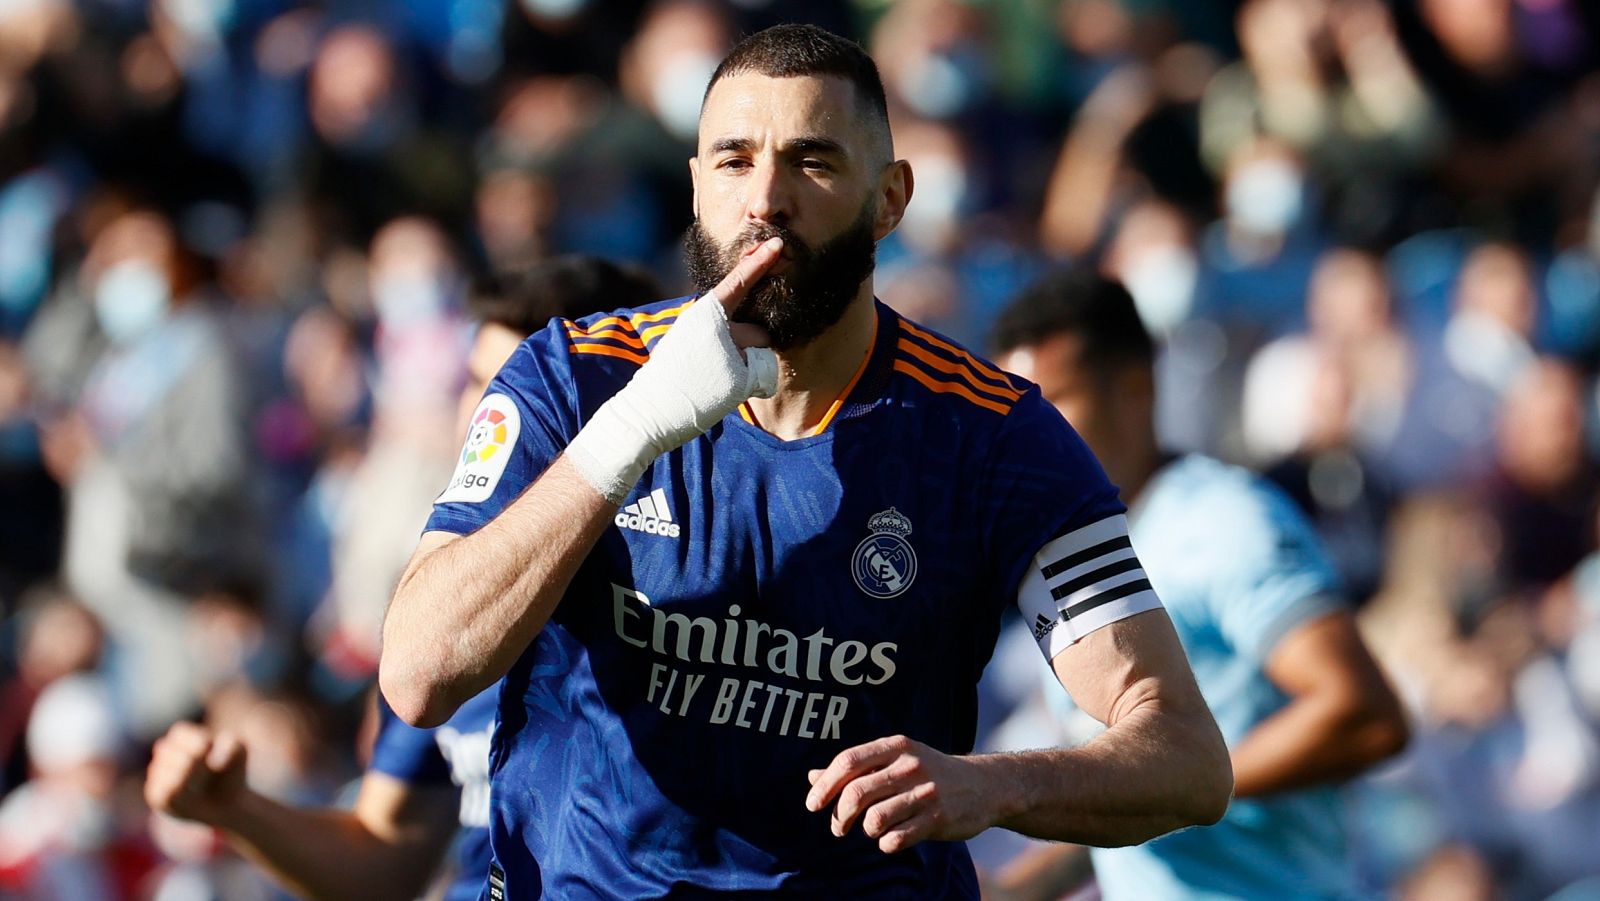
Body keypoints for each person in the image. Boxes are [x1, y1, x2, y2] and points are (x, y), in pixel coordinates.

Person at [380, 24, 1229, 898]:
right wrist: (632, 428)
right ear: (696, 185)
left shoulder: (992, 434)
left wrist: (994, 782)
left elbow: (1187, 758)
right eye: (735, 160)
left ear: (891, 198)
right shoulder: (576, 377)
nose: (766, 199)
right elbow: (418, 673)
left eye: (812, 161)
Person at [143, 258, 660, 901]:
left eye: (515, 385)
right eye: (478, 382)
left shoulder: (686, 595)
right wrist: (235, 809)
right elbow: (385, 859)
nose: (487, 414)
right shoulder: (437, 607)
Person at [990, 270, 1409, 900]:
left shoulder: (1223, 522)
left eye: (1054, 405)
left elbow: (1362, 712)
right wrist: (1024, 887)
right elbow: (1132, 798)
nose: (1030, 438)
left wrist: (1176, 777)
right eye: (1016, 414)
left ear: (1135, 389)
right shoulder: (1069, 549)